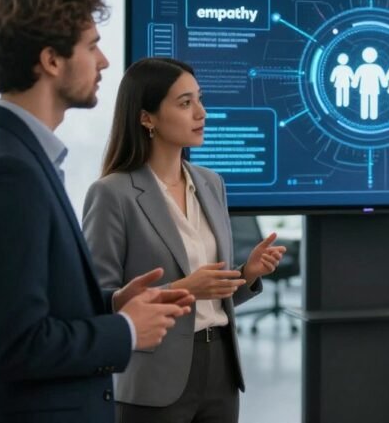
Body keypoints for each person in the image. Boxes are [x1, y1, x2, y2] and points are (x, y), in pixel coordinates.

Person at [0, 0, 195, 423]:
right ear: (51, 60)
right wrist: (127, 329)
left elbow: (22, 306)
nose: (105, 61)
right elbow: (12, 346)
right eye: (92, 46)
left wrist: (108, 305)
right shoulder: (6, 172)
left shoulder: (6, 153)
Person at [83, 57, 286, 423]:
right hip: (153, 377)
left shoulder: (211, 184)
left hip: (221, 370)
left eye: (200, 99)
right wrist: (183, 289)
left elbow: (214, 298)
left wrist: (248, 273)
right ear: (147, 118)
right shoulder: (112, 194)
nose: (201, 113)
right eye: (185, 103)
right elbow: (99, 302)